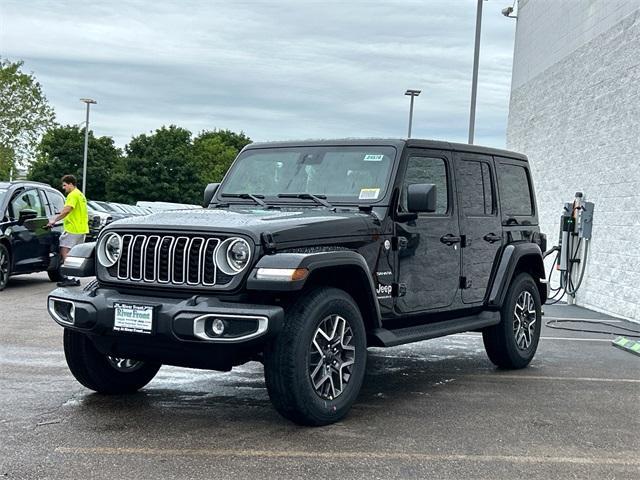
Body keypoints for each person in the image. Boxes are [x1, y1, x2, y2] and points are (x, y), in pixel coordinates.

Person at [46, 175, 89, 287]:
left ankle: (69, 277)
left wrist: (54, 220)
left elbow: (67, 210)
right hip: (82, 229)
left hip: (73, 228)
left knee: (65, 251)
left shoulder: (73, 195)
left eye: (65, 185)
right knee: (76, 254)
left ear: (71, 184)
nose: (63, 188)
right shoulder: (80, 195)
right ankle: (76, 278)